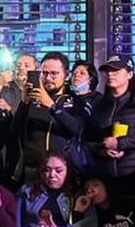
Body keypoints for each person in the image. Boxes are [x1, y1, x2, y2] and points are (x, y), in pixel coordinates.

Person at [86, 56, 135, 199]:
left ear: (130, 74)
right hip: (107, 180)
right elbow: (88, 140)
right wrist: (101, 150)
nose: (110, 74)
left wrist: (120, 143)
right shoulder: (99, 104)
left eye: (115, 71)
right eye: (107, 71)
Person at [12, 51, 87, 185]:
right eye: (45, 73)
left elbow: (78, 129)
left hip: (63, 172)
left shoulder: (75, 101)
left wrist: (51, 106)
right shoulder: (33, 100)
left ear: (66, 74)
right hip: (32, 171)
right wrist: (24, 103)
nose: (48, 78)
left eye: (54, 73)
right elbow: (14, 132)